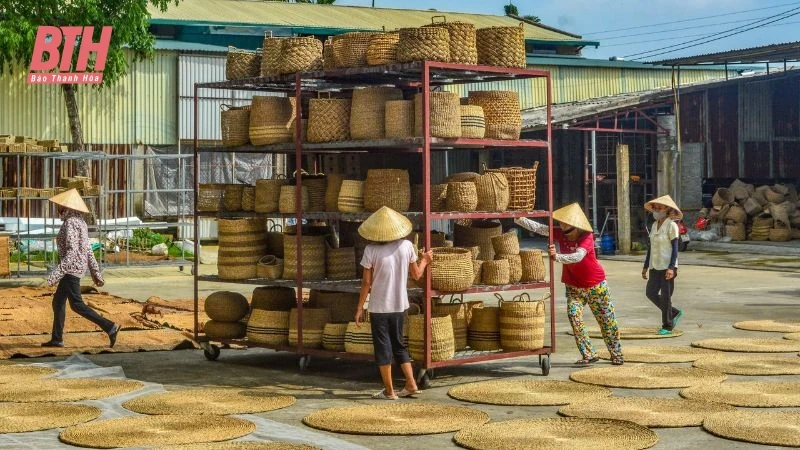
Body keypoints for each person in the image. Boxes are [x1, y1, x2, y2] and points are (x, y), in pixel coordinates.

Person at [515, 203, 623, 365]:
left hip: (596, 285)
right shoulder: (560, 233)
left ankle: (616, 354)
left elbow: (578, 256)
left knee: (607, 320)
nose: (563, 229)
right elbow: (540, 228)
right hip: (573, 286)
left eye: (567, 226)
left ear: (577, 227)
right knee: (574, 316)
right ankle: (589, 354)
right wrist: (518, 218)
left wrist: (557, 257)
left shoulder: (587, 238)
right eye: (561, 225)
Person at [355, 206, 433, 400]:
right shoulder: (406, 246)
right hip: (399, 306)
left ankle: (390, 391)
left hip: (379, 308)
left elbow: (366, 283)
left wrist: (359, 308)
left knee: (383, 349)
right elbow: (416, 275)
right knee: (398, 345)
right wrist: (425, 260)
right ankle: (411, 383)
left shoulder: (370, 250)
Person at [42, 189, 120, 348]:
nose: (58, 210)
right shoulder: (81, 223)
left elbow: (71, 253)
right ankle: (57, 338)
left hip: (70, 270)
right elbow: (88, 250)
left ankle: (110, 327)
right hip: (74, 269)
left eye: (60, 207)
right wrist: (96, 274)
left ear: (67, 208)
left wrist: (53, 276)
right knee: (58, 302)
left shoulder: (70, 223)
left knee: (77, 305)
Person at [642, 195, 683, 335]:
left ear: (667, 210)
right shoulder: (654, 225)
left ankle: (667, 326)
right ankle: (674, 312)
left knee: (666, 296)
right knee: (650, 293)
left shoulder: (672, 226)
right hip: (655, 265)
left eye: (660, 207)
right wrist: (645, 265)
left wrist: (672, 267)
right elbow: (651, 247)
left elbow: (675, 249)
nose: (657, 210)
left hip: (667, 266)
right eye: (655, 207)